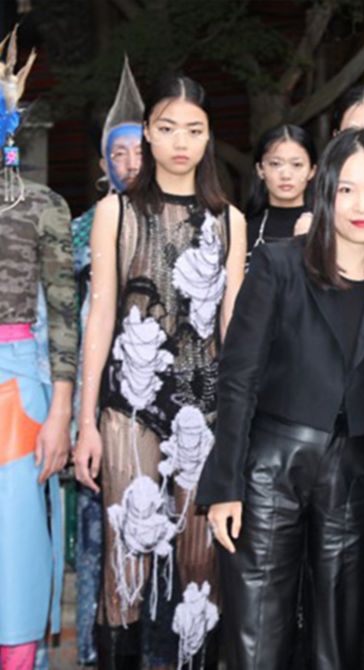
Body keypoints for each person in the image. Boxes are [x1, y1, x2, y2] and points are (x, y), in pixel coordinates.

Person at [197, 128, 364, 669]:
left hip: (357, 478)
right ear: (325, 194)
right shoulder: (279, 265)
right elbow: (237, 377)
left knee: (335, 646)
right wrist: (225, 485)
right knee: (256, 642)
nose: (361, 206)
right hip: (270, 470)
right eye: (346, 190)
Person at [73, 75, 246, 668]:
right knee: (127, 565)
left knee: (201, 574)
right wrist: (86, 423)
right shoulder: (115, 212)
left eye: (194, 130)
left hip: (207, 411)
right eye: (167, 128)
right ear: (147, 132)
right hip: (129, 404)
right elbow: (98, 319)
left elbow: (232, 338)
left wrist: (239, 436)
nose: (181, 142)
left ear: (207, 138)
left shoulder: (230, 221)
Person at [0, 28, 76, 668]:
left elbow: (65, 319)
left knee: (17, 556)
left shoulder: (45, 205)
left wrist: (60, 415)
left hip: (16, 388)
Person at [71, 57, 145, 667]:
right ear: (103, 164)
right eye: (116, 155)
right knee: (101, 543)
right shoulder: (79, 230)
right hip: (95, 403)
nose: (127, 164)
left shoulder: (178, 225)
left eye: (136, 152)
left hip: (158, 412)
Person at [244, 124, 317, 265]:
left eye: (296, 165)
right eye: (275, 164)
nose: (286, 175)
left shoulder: (325, 226)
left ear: (312, 171)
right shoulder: (245, 229)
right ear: (260, 169)